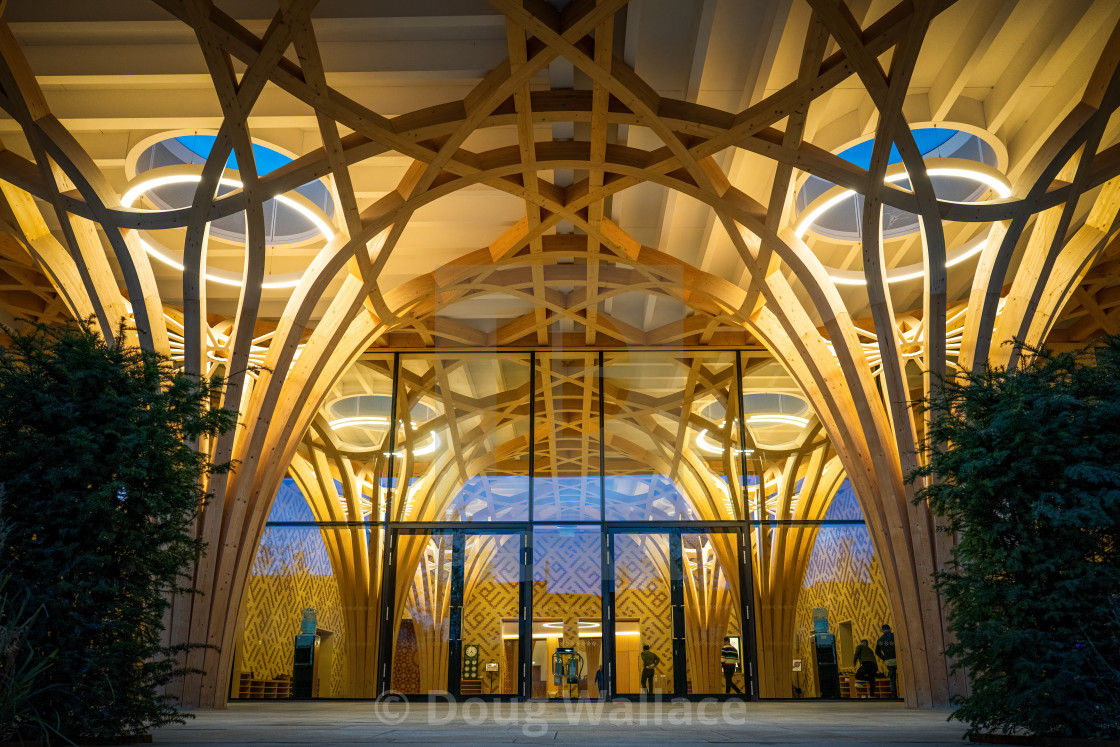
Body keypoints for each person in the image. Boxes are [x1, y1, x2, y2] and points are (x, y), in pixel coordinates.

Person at [875, 623, 897, 698]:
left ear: (883, 631)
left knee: (892, 679)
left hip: (889, 661)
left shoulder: (880, 640)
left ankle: (894, 696)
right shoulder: (894, 636)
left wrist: (884, 658)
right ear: (890, 629)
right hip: (898, 659)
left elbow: (877, 651)